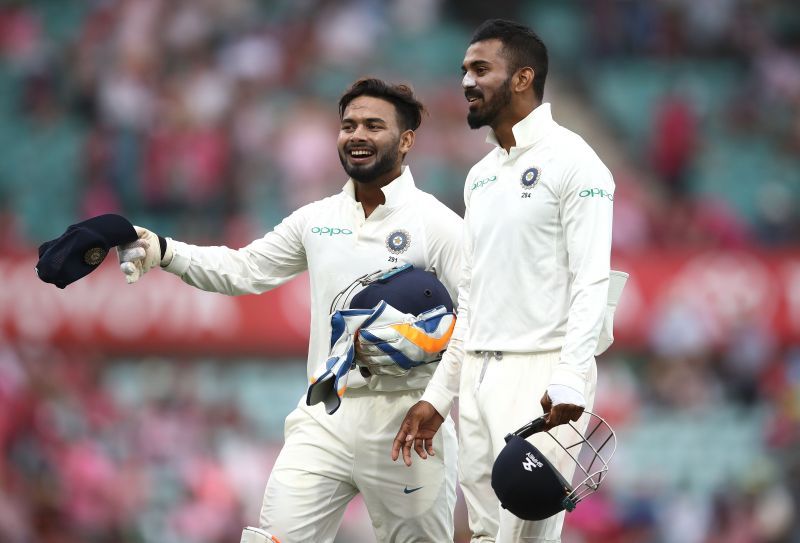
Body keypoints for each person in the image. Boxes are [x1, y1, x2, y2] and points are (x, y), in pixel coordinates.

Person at [118, 78, 462, 543]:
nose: (357, 135)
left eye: (374, 125)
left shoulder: (437, 224)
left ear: (406, 140)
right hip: (326, 415)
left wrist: (437, 402)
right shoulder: (316, 220)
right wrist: (163, 249)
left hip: (409, 422)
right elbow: (242, 270)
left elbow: (479, 321)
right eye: (348, 125)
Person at [392, 19, 616, 543]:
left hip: (543, 376)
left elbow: (592, 281)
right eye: (464, 70)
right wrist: (439, 393)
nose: (466, 81)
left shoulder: (577, 164)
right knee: (487, 535)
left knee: (526, 535)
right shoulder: (481, 176)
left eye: (480, 69)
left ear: (522, 78)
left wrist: (568, 377)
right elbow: (472, 299)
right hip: (478, 376)